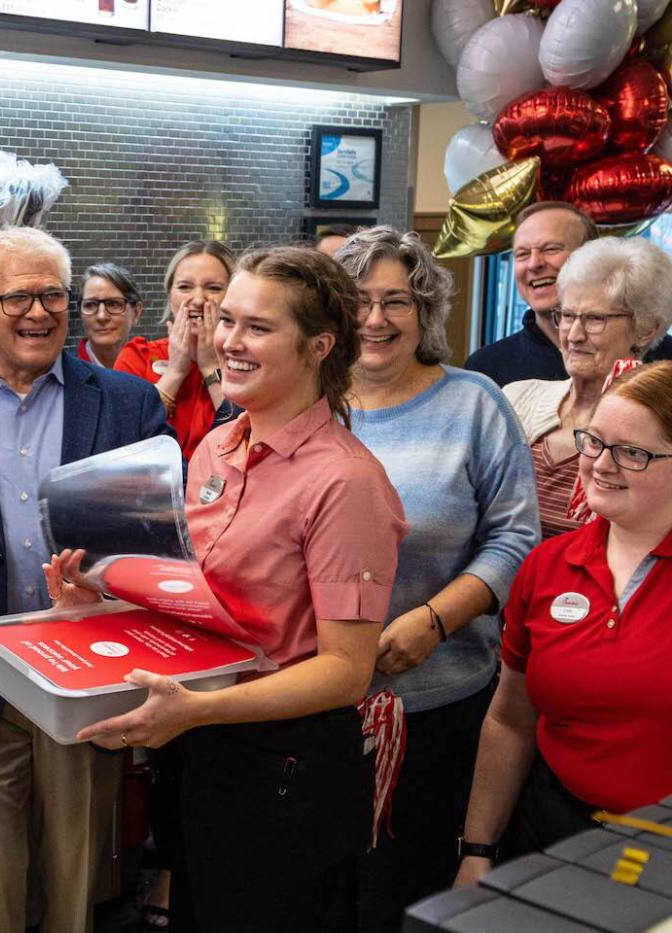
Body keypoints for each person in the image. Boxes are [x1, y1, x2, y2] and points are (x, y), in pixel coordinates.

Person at [57, 245, 407, 933]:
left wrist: (196, 711)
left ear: (319, 345)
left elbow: (344, 670)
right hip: (200, 742)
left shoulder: (345, 481)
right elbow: (193, 598)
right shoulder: (216, 449)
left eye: (257, 327)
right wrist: (98, 602)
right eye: (227, 320)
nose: (229, 341)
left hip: (287, 768)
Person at [0, 227, 172, 933]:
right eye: (19, 296)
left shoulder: (127, 404)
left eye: (53, 294)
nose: (39, 312)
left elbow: (159, 553)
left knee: (77, 884)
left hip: (85, 686)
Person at [333, 228, 540, 932]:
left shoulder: (474, 403)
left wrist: (435, 619)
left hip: (437, 707)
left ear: (425, 311)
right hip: (312, 706)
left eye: (397, 300)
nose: (376, 318)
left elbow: (516, 535)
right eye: (358, 300)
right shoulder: (302, 402)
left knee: (405, 898)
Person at [456, 362, 672, 885]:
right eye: (593, 441)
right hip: (554, 832)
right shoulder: (548, 566)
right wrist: (478, 848)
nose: (599, 464)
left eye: (633, 452)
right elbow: (510, 721)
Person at [502, 237, 672, 541]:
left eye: (595, 319)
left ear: (646, 330)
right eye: (567, 316)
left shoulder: (658, 423)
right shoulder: (516, 397)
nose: (574, 335)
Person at [465, 202, 672, 386]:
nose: (534, 264)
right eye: (522, 254)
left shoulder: (665, 359)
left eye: (551, 249)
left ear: (591, 255)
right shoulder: (487, 368)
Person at [115, 240, 235, 460]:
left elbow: (247, 435)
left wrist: (210, 367)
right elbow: (123, 439)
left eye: (214, 288)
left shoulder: (245, 359)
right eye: (185, 287)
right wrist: (175, 372)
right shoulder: (137, 356)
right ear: (170, 296)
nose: (198, 299)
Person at [76, 262, 144, 369]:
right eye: (91, 305)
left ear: (136, 313)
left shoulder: (154, 370)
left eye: (113, 304)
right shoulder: (62, 374)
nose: (101, 316)